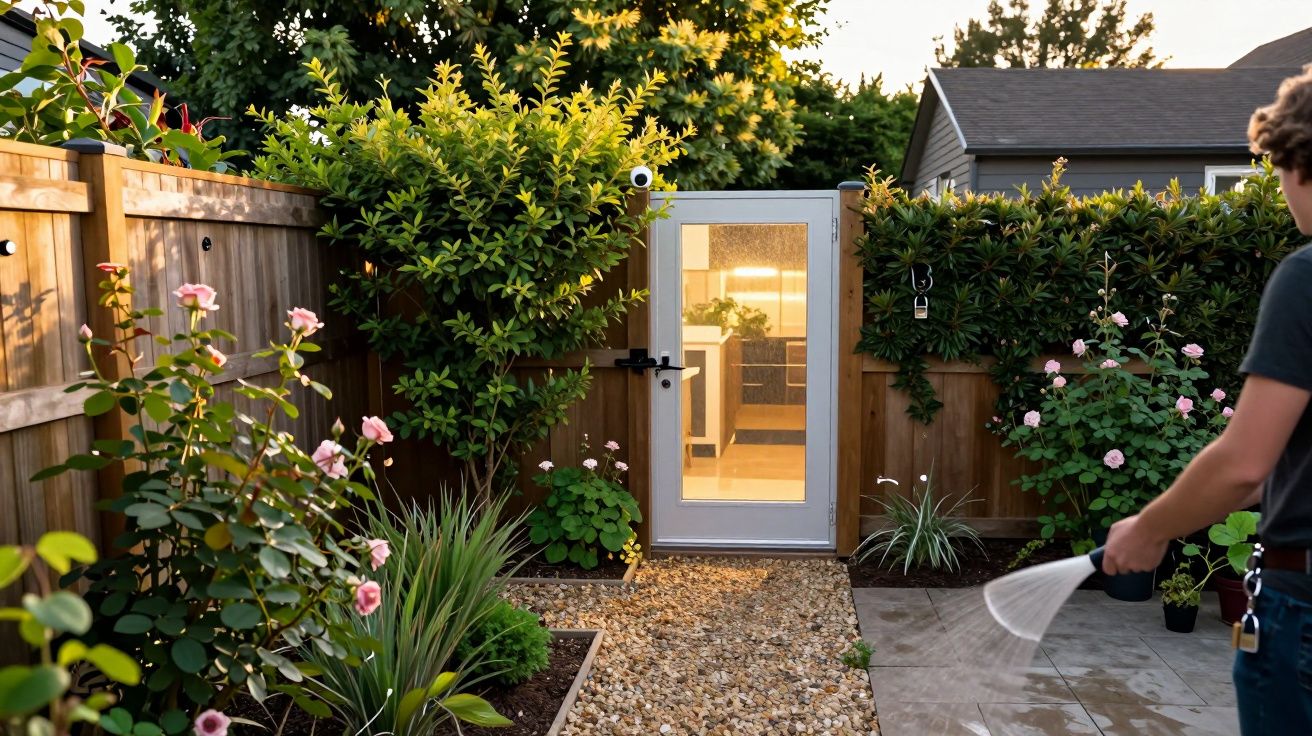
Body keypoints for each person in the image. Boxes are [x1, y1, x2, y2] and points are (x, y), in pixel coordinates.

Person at [1103, 64, 1312, 734]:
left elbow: (1245, 463)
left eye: (1278, 171)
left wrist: (1151, 528)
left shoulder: (1306, 278)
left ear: (1300, 161)